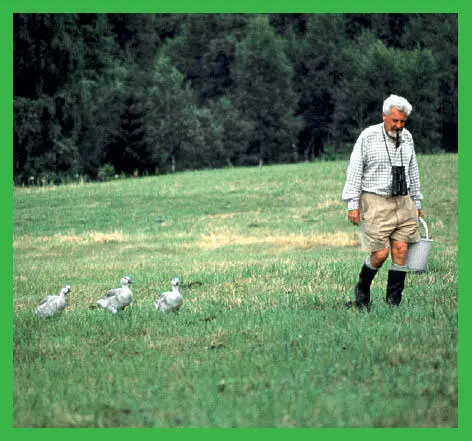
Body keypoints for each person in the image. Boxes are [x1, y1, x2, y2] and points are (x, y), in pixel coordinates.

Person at [342, 94, 423, 309]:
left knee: (401, 250)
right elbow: (355, 170)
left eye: (402, 122)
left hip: (403, 200)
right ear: (384, 116)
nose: (398, 126)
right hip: (375, 200)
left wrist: (417, 202)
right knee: (380, 253)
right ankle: (362, 293)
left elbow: (412, 170)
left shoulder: (407, 138)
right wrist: (353, 204)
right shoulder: (368, 136)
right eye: (395, 120)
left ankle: (393, 303)